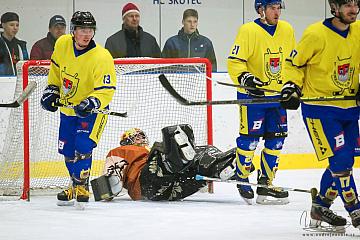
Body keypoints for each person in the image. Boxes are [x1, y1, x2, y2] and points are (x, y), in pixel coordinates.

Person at [280, 0, 360, 230]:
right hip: (321, 110)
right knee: (341, 161)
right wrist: (291, 87)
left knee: (345, 160)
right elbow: (294, 64)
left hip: (350, 108)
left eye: (356, 3)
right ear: (334, 6)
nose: (353, 9)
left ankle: (320, 206)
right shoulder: (315, 34)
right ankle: (355, 210)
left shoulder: (358, 31)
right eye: (347, 4)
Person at [40, 11, 116, 205]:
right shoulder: (62, 44)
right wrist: (52, 90)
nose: (87, 33)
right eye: (82, 29)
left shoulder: (102, 56)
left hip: (92, 112)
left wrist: (91, 102)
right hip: (68, 110)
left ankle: (81, 186)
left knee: (83, 145)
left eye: (90, 29)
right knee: (67, 149)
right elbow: (56, 72)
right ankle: (75, 185)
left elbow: (106, 90)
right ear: (73, 30)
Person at [227, 0, 295, 205]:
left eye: (278, 7)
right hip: (253, 97)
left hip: (277, 96)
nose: (277, 12)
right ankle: (242, 177)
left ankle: (266, 183)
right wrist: (245, 78)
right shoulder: (248, 30)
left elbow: (293, 61)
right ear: (261, 10)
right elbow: (235, 61)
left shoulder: (287, 29)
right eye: (272, 8)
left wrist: (293, 85)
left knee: (276, 140)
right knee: (250, 139)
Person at [91, 124, 237, 201]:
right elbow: (112, 180)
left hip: (169, 191)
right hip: (147, 184)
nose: (142, 139)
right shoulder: (120, 150)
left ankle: (224, 167)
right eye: (137, 137)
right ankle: (176, 153)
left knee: (204, 152)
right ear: (127, 140)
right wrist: (104, 191)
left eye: (143, 136)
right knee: (161, 151)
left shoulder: (148, 152)